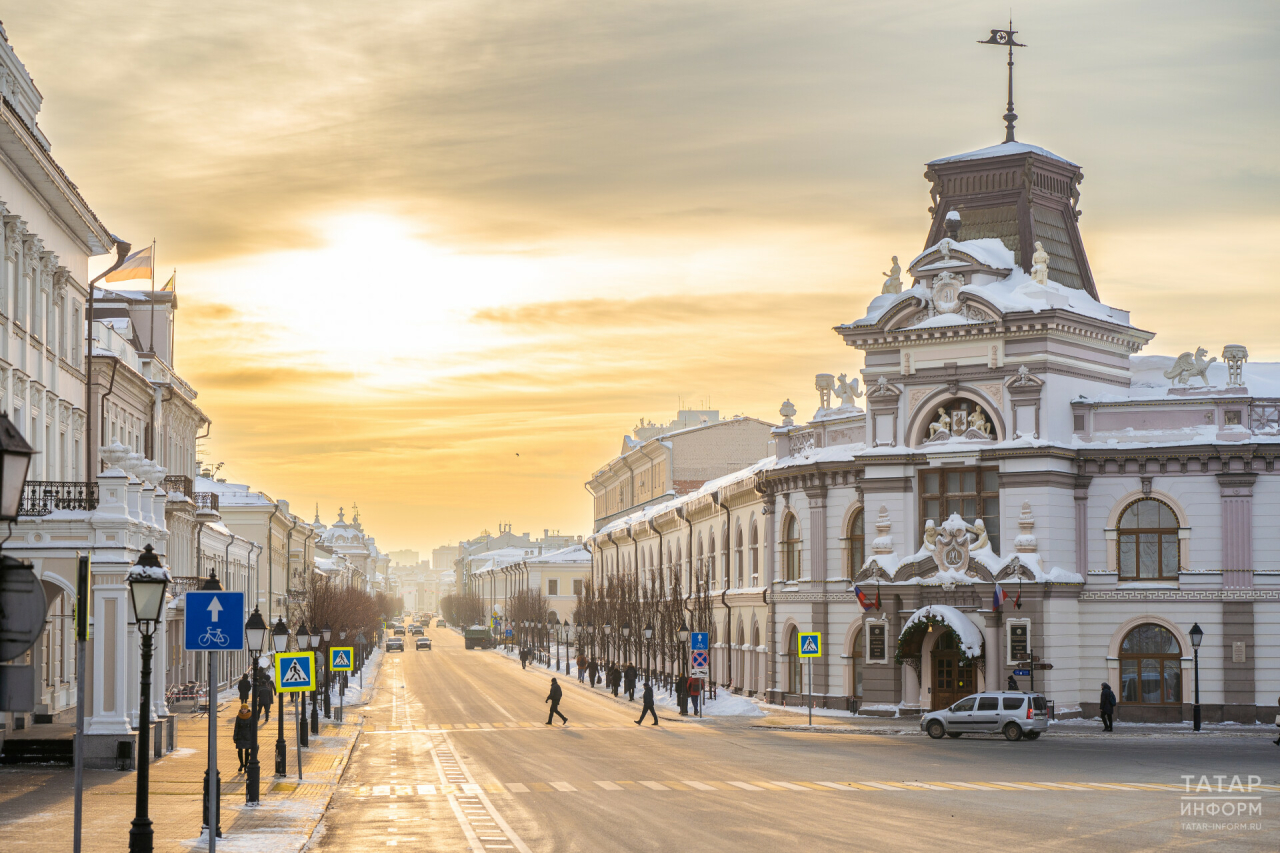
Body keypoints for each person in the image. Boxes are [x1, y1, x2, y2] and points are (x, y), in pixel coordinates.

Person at [233, 703, 254, 772]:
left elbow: (252, 728)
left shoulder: (250, 717)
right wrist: (235, 736)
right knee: (239, 751)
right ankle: (241, 764)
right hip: (240, 736)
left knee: (247, 751)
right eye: (242, 709)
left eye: (244, 709)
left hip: (247, 736)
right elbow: (236, 727)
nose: (243, 711)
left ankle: (246, 765)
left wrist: (252, 737)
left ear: (247, 709)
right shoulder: (238, 717)